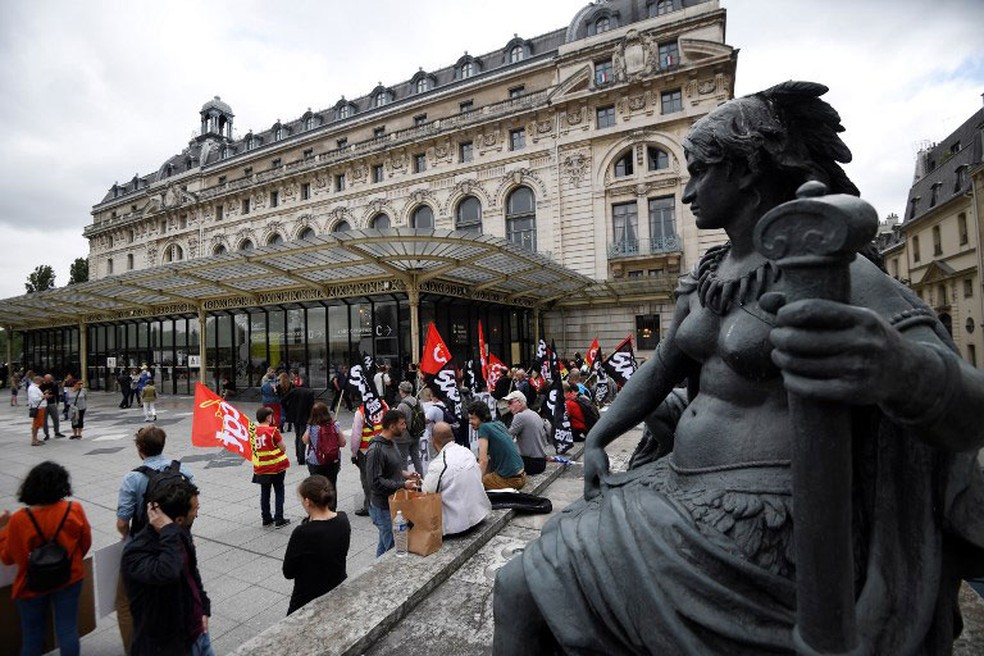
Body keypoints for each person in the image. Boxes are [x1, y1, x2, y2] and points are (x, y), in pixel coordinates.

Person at [492, 82, 984, 655]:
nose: (687, 193)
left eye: (701, 172)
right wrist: (600, 434)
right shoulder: (712, 272)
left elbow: (971, 411)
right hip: (678, 489)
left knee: (520, 585)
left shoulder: (827, 266)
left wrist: (895, 367)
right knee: (538, 566)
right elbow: (662, 369)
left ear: (747, 170)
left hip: (766, 519)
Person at [115, 426, 196, 654]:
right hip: (179, 541)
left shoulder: (133, 478)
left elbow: (122, 522)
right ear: (163, 444)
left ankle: (135, 647)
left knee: (125, 602)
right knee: (179, 589)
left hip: (146, 544)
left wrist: (129, 539)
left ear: (140, 449)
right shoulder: (183, 471)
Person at [0, 462, 92, 656]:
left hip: (31, 584)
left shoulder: (19, 519)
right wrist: (70, 560)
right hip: (69, 577)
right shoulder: (74, 509)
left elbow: (8, 558)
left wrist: (2, 530)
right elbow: (85, 543)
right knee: (68, 630)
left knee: (32, 636)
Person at [121, 478, 213, 656]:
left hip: (199, 634)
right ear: (178, 520)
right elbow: (168, 572)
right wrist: (168, 532)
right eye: (195, 509)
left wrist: (204, 607)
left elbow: (192, 575)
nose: (197, 514)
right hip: (168, 647)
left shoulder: (179, 535)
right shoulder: (136, 552)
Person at [282, 476, 351, 615]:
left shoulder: (303, 532)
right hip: (337, 586)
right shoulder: (343, 519)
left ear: (307, 502)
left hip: (308, 596)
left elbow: (288, 572)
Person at [365, 409, 420, 556]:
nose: (404, 427)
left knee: (384, 545)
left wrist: (406, 475)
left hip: (392, 504)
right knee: (391, 548)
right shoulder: (376, 450)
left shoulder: (391, 442)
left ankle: (374, 574)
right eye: (401, 424)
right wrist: (403, 485)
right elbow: (375, 482)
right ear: (391, 426)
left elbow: (393, 469)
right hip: (382, 507)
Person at [421, 422, 491, 535]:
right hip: (479, 515)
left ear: (433, 440)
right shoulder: (466, 452)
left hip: (457, 527)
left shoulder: (439, 464)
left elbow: (426, 495)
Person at [468, 401, 526, 490]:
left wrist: (476, 483)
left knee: (478, 482)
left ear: (482, 418)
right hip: (522, 475)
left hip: (512, 480)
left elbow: (483, 460)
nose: (470, 422)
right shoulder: (499, 424)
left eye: (473, 418)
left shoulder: (483, 428)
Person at [252, 407, 291, 528]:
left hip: (261, 467)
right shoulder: (272, 431)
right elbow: (283, 448)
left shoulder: (253, 432)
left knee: (265, 493)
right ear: (268, 417)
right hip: (276, 467)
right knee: (279, 491)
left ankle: (266, 518)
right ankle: (279, 518)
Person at [349, 398, 387, 517]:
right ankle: (383, 502)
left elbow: (356, 435)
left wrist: (354, 454)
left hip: (366, 449)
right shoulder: (383, 405)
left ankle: (369, 506)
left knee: (367, 479)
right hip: (383, 446)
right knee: (382, 475)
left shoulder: (360, 412)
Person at [301, 401, 345, 492]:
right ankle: (331, 505)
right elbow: (343, 443)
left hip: (315, 460)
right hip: (332, 459)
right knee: (331, 485)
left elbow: (305, 441)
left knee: (317, 487)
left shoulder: (312, 427)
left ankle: (319, 505)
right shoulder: (335, 425)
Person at [504, 390, 549, 475]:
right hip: (541, 461)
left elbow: (507, 438)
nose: (508, 406)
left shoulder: (520, 416)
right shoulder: (534, 414)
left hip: (530, 462)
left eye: (510, 402)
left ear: (519, 402)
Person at [282, 378, 316, 466]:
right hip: (305, 416)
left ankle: (298, 455)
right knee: (303, 436)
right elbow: (312, 406)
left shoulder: (293, 391)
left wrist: (288, 410)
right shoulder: (309, 392)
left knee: (297, 435)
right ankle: (301, 457)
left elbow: (283, 401)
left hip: (295, 415)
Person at [396, 381, 425, 474]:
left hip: (404, 437)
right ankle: (421, 478)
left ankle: (405, 482)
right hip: (416, 434)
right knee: (416, 458)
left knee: (403, 461)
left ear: (401, 391)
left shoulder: (402, 405)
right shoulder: (417, 401)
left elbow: (398, 420)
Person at [40, 373, 66, 439]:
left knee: (56, 418)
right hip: (44, 404)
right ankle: (46, 434)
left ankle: (57, 432)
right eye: (47, 379)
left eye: (49, 379)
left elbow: (56, 394)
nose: (48, 381)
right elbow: (39, 394)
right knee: (44, 420)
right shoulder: (41, 385)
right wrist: (45, 395)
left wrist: (57, 402)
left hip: (52, 403)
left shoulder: (54, 385)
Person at [27, 375, 46, 446]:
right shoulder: (32, 388)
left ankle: (35, 438)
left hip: (39, 408)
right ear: (37, 381)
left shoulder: (35, 388)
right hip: (37, 408)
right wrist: (44, 397)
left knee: (37, 424)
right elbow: (35, 399)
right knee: (36, 424)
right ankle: (34, 440)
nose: (42, 383)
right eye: (41, 381)